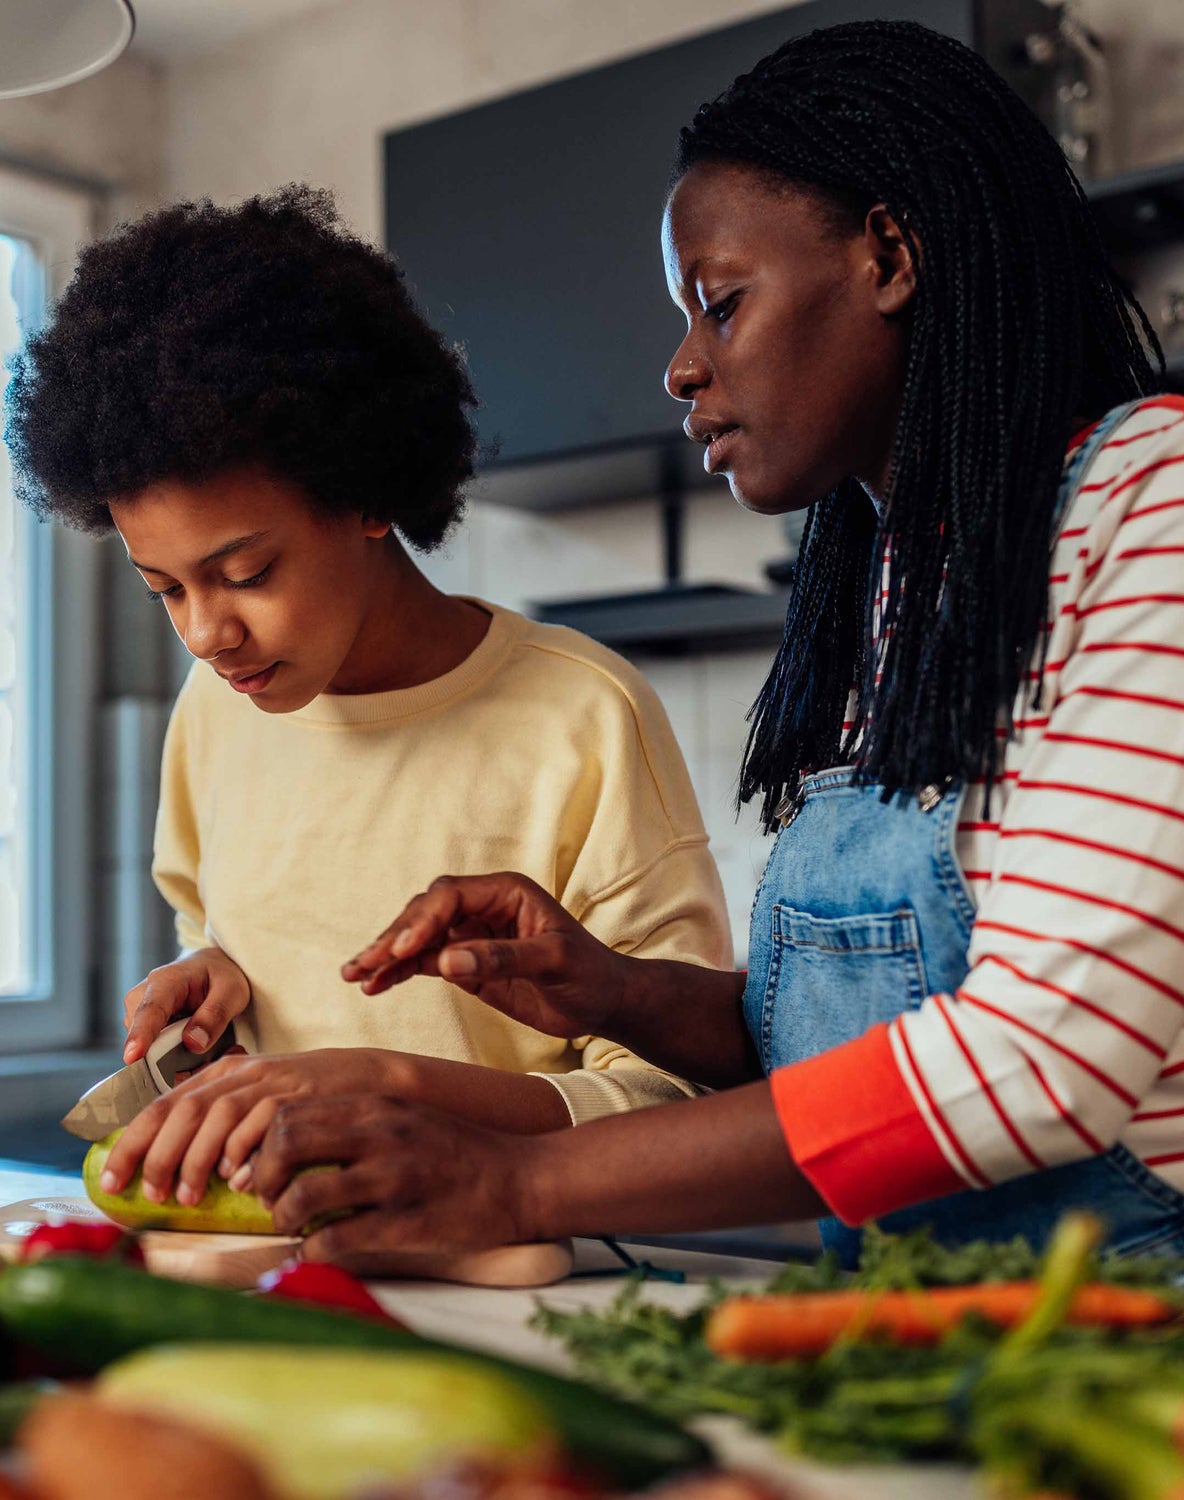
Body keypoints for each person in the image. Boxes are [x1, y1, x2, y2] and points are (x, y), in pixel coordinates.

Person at [249, 25, 1184, 1339]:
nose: (681, 367)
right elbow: (876, 1044)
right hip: (948, 1316)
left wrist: (515, 1181)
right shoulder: (896, 582)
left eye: (720, 302)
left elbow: (1039, 1064)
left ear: (889, 256)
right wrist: (619, 994)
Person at [6, 187, 731, 1207]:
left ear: (367, 494)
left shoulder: (583, 716)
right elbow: (230, 937)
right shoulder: (214, 713)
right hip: (283, 1267)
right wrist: (215, 986)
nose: (207, 634)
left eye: (247, 573)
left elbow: (680, 1096)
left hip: (511, 1277)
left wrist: (395, 1093)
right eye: (165, 587)